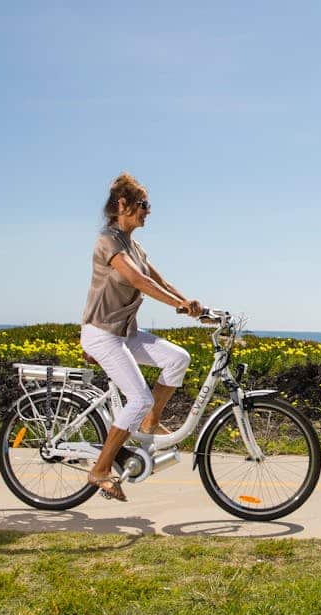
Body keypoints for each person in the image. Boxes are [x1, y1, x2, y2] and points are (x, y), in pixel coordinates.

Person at [80, 172, 203, 501]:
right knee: (139, 397)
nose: (148, 210)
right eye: (144, 204)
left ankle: (149, 424)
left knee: (178, 358)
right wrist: (177, 304)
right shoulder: (108, 241)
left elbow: (159, 280)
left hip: (125, 332)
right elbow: (137, 280)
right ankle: (101, 469)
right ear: (123, 204)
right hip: (102, 334)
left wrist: (194, 307)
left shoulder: (135, 246)